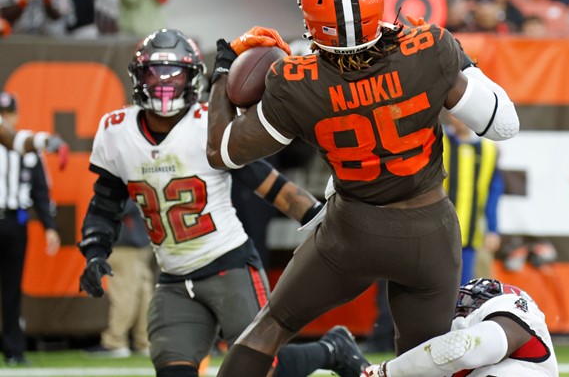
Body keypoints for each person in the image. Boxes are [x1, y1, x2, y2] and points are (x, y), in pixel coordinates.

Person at [205, 0, 519, 375]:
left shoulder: (294, 80)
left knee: (270, 328)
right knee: (421, 365)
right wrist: (461, 64)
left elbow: (223, 152)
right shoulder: (430, 49)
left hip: (350, 232)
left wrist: (223, 72)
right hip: (428, 232)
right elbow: (503, 124)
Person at [77, 29, 368, 377]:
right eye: (155, 73)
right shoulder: (117, 131)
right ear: (139, 77)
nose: (165, 84)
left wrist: (325, 223)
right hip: (173, 277)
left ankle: (332, 349)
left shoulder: (205, 126)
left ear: (193, 78)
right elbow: (105, 202)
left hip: (228, 265)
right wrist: (95, 251)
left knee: (261, 369)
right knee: (173, 370)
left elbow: (269, 184)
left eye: (175, 74)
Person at [361, 278, 558, 377]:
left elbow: (462, 347)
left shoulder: (513, 313)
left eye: (468, 299)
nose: (460, 309)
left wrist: (384, 372)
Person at [0, 91, 61, 366]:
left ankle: (13, 349)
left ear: (16, 114)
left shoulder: (25, 145)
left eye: (8, 113)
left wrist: (50, 226)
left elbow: (40, 190)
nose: (4, 119)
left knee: (12, 289)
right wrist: (45, 141)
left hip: (15, 220)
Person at [85, 199, 153, 358]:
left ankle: (115, 341)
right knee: (143, 292)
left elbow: (115, 206)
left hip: (125, 242)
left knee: (124, 292)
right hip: (143, 240)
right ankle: (144, 341)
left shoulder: (124, 178)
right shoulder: (145, 176)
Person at [442, 112, 503, 285]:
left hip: (470, 235)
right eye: (453, 114)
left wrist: (493, 229)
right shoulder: (440, 142)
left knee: (464, 287)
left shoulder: (488, 150)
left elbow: (494, 191)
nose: (457, 118)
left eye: (462, 113)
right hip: (438, 232)